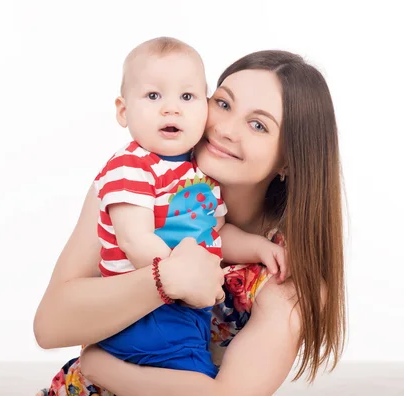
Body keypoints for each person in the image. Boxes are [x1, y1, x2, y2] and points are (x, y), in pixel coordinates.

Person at [34, 48, 346, 396]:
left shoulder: (287, 285)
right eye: (224, 104)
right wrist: (165, 279)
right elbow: (49, 327)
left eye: (258, 125)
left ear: (289, 159)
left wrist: (101, 367)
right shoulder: (131, 189)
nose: (226, 129)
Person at [92, 37, 286, 379]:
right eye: (154, 96)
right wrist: (181, 280)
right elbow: (135, 240)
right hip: (145, 311)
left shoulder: (198, 175)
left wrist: (260, 247)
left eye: (187, 96)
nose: (172, 109)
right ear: (123, 111)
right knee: (191, 372)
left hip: (182, 311)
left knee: (192, 368)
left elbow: (218, 233)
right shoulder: (132, 166)